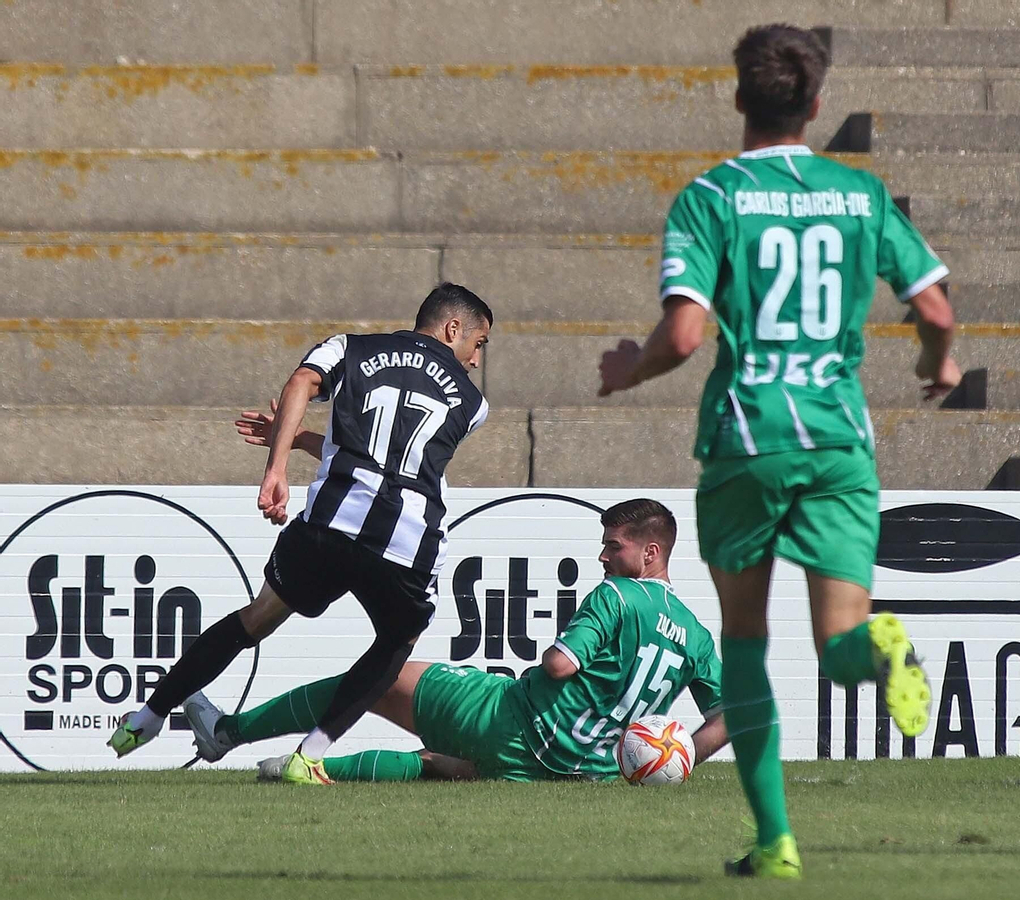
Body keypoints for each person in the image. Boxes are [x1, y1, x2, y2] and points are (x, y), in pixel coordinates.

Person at [595, 23, 960, 879]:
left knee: (747, 647)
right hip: (837, 440)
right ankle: (886, 650)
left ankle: (776, 839)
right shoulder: (859, 195)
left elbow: (684, 335)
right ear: (819, 104)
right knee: (840, 642)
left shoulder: (711, 197)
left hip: (747, 441)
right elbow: (938, 311)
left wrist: (626, 368)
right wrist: (934, 364)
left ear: (737, 99)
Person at [109, 283, 494, 786]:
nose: (476, 359)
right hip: (405, 545)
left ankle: (147, 718)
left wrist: (279, 459)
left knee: (256, 619)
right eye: (479, 343)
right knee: (398, 641)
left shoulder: (350, 347)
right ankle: (309, 754)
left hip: (329, 526)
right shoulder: (473, 404)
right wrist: (288, 443)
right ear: (453, 329)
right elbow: (397, 455)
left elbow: (302, 387)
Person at [182, 498, 727, 783]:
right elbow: (732, 715)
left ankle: (230, 733)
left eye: (614, 547)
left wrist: (559, 652)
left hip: (513, 721)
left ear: (651, 553)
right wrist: (676, 757)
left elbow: (560, 666)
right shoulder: (698, 638)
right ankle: (298, 771)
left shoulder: (618, 596)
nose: (604, 557)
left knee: (385, 675)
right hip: (585, 769)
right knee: (442, 765)